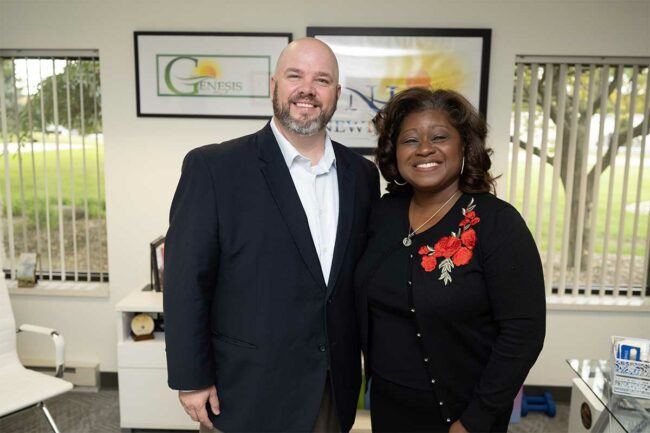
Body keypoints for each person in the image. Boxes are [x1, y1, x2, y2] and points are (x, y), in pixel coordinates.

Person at [163, 38, 379, 432]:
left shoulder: (362, 176)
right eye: (295, 76)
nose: (307, 90)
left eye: (322, 80)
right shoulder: (214, 168)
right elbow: (184, 282)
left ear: (337, 95)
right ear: (273, 85)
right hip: (245, 388)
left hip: (331, 385)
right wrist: (191, 377)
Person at [354, 88, 546, 433]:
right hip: (387, 408)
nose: (424, 148)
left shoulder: (497, 223)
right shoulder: (381, 214)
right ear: (394, 152)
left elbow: (523, 333)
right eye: (410, 140)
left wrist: (475, 420)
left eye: (439, 136)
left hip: (462, 415)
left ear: (464, 147)